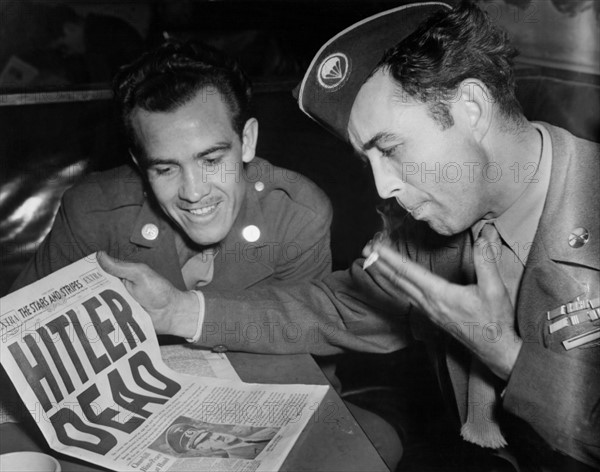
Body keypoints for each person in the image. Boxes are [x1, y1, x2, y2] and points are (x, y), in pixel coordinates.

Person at [97, 2, 599, 471]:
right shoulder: (428, 237)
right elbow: (339, 308)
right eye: (369, 161)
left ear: (470, 106)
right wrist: (180, 311)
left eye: (393, 148)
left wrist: (507, 356)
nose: (382, 187)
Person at [9, 40, 402, 470]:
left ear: (246, 141)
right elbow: (15, 351)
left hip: (256, 413)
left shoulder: (296, 213)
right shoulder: (92, 212)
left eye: (211, 159)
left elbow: (307, 369)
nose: (194, 192)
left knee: (371, 447)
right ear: (140, 165)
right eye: (165, 168)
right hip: (124, 427)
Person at [164, 421, 276, 460]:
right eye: (205, 440)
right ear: (204, 449)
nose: (216, 436)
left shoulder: (265, 431)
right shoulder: (243, 458)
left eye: (209, 434)